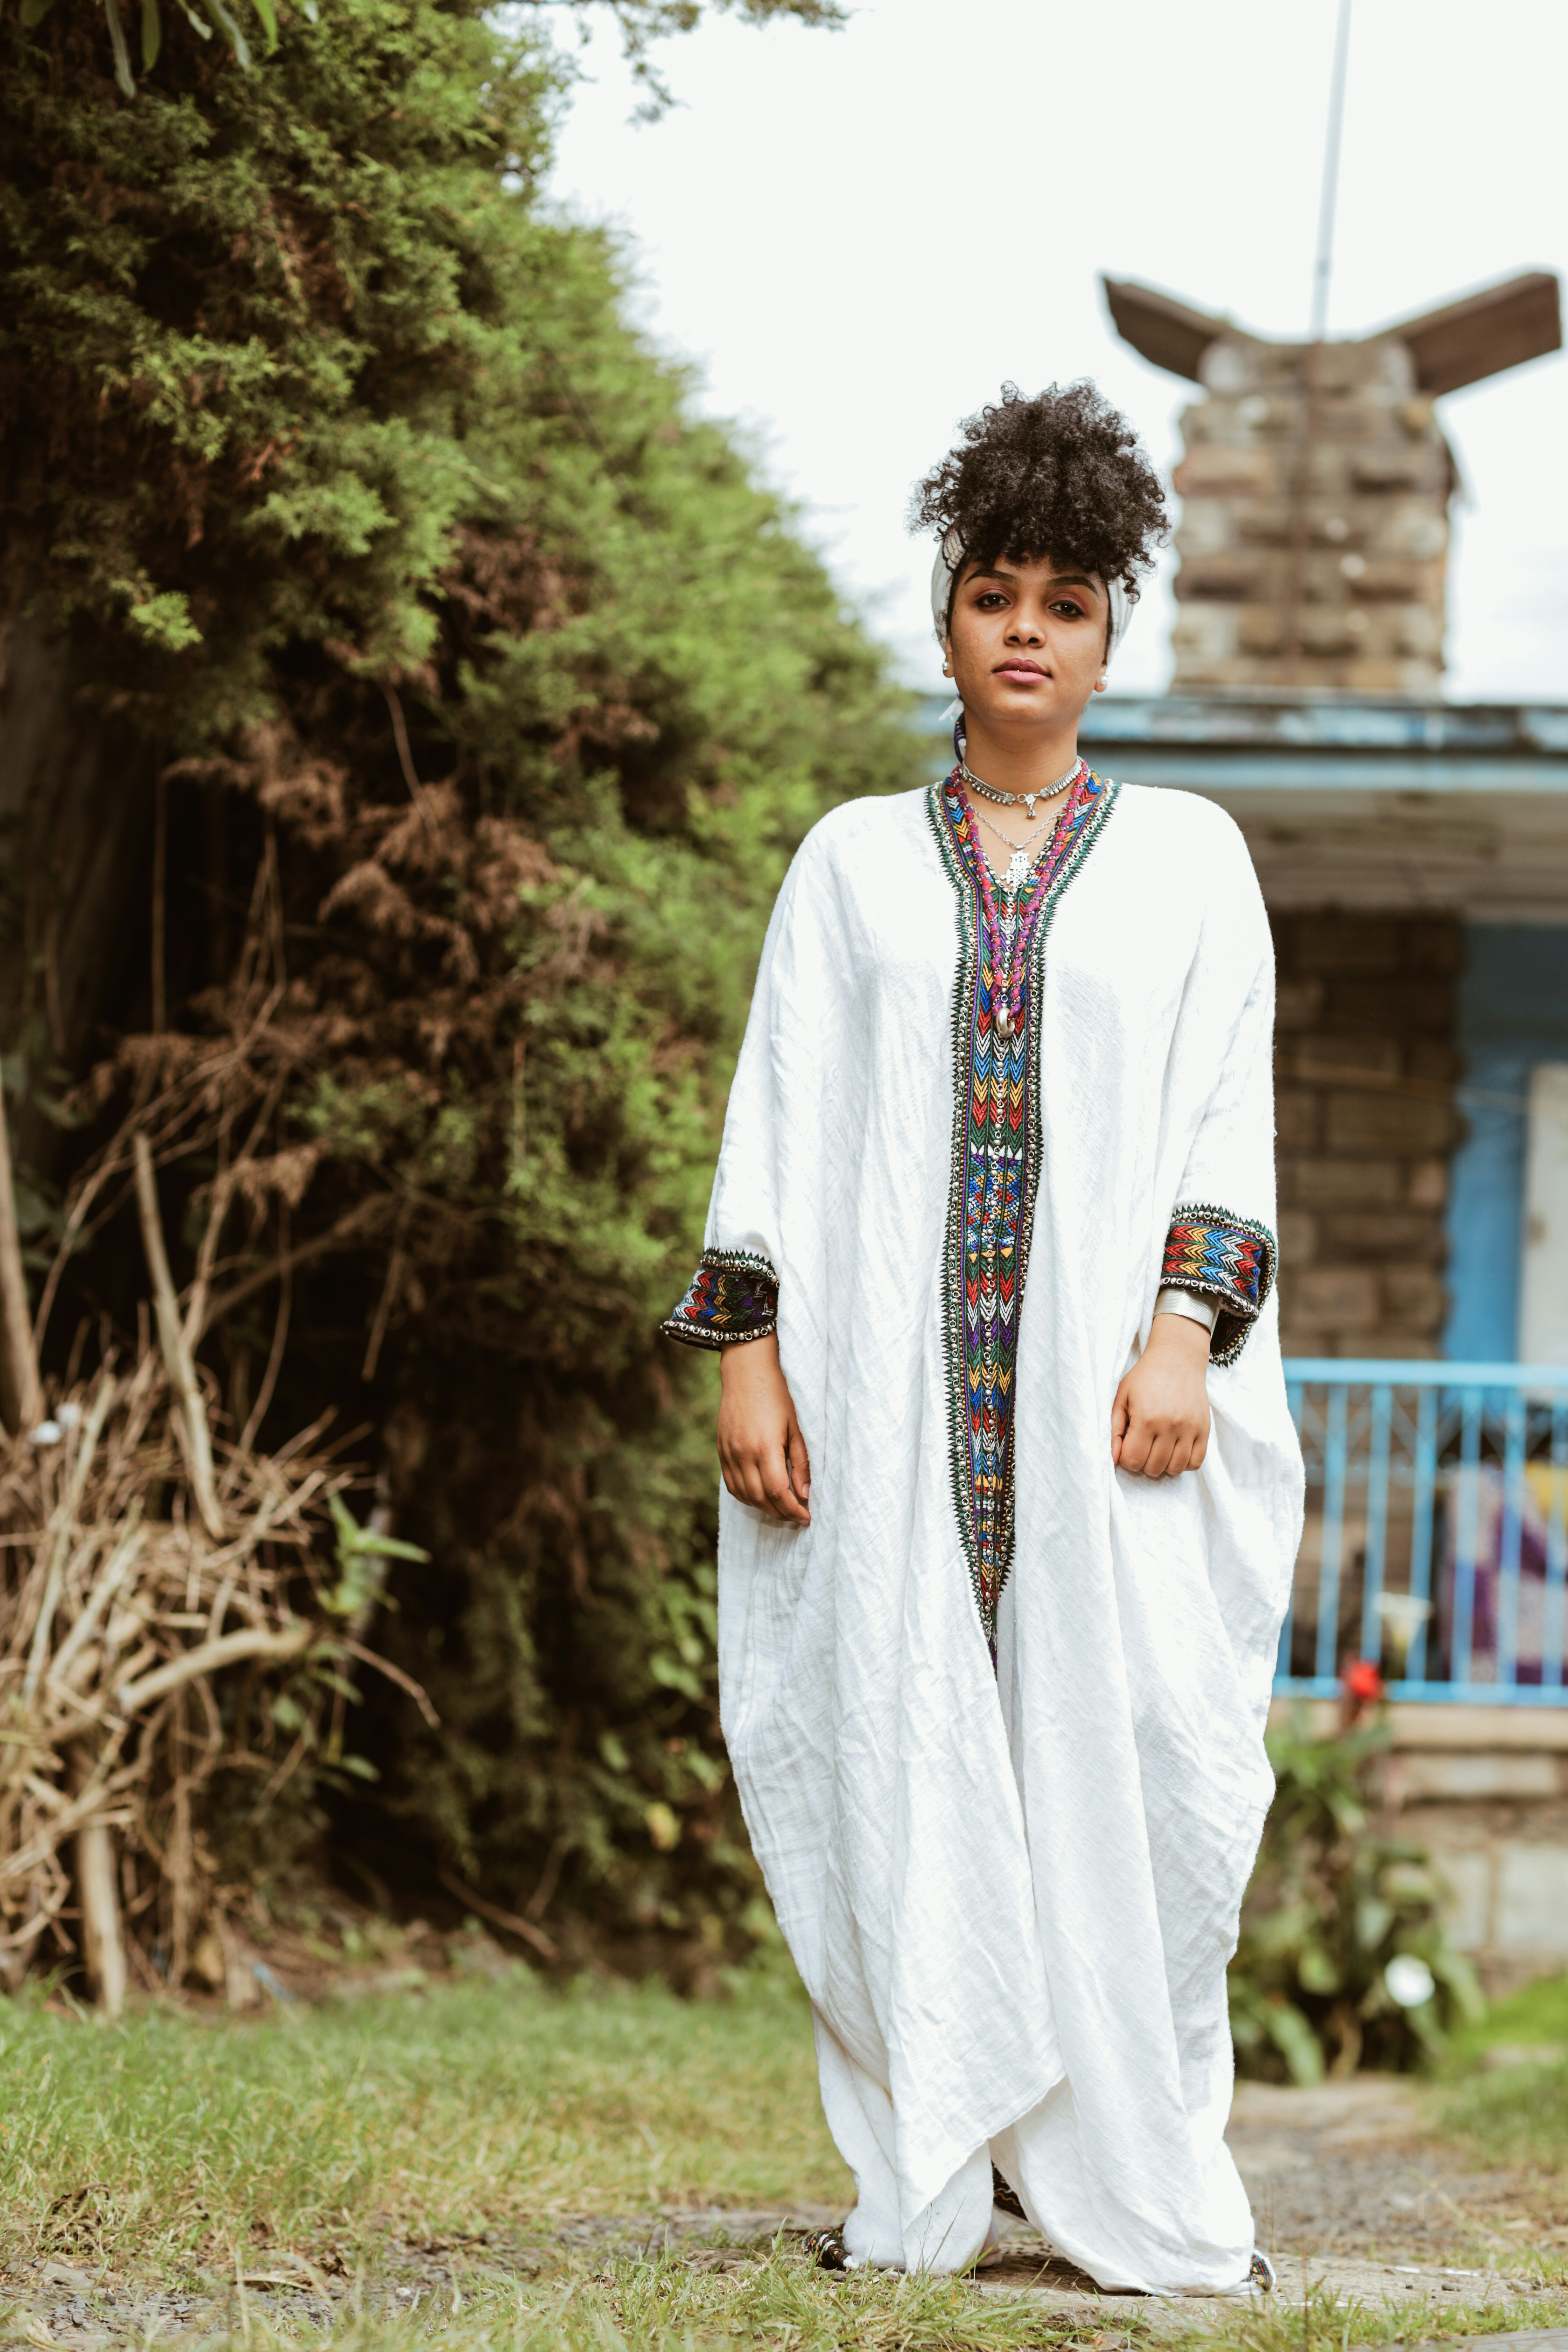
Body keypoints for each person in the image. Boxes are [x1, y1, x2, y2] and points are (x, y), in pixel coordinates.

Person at [662, 384, 1304, 2296]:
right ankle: (931, 2175)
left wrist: (1189, 1331)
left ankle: (1126, 2171)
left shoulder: (1192, 859)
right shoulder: (851, 860)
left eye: (1070, 601)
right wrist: (745, 1348)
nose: (1028, 628)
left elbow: (1223, 1117)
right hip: (885, 1418)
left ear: (1115, 635)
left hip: (1109, 1432)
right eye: (993, 593)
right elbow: (779, 1111)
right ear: (946, 617)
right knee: (892, 1742)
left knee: (1141, 1771)